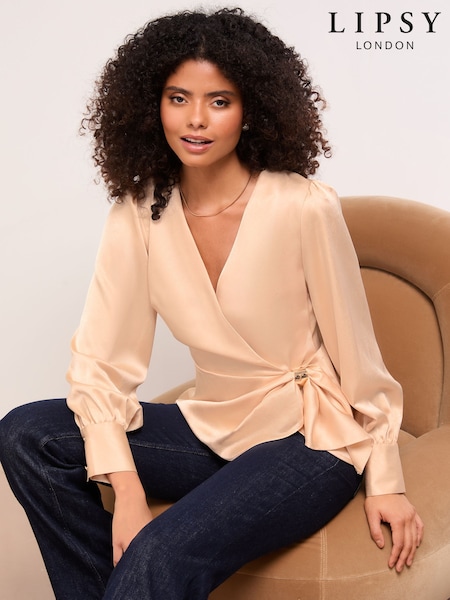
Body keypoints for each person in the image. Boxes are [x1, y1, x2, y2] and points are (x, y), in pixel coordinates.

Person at [0, 8, 423, 600]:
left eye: (219, 101)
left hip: (310, 441)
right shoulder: (139, 212)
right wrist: (127, 493)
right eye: (178, 98)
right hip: (211, 428)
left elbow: (360, 356)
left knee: (161, 553)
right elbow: (101, 363)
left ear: (251, 110)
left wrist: (386, 480)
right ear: (152, 105)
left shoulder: (304, 206)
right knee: (27, 433)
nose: (195, 119)